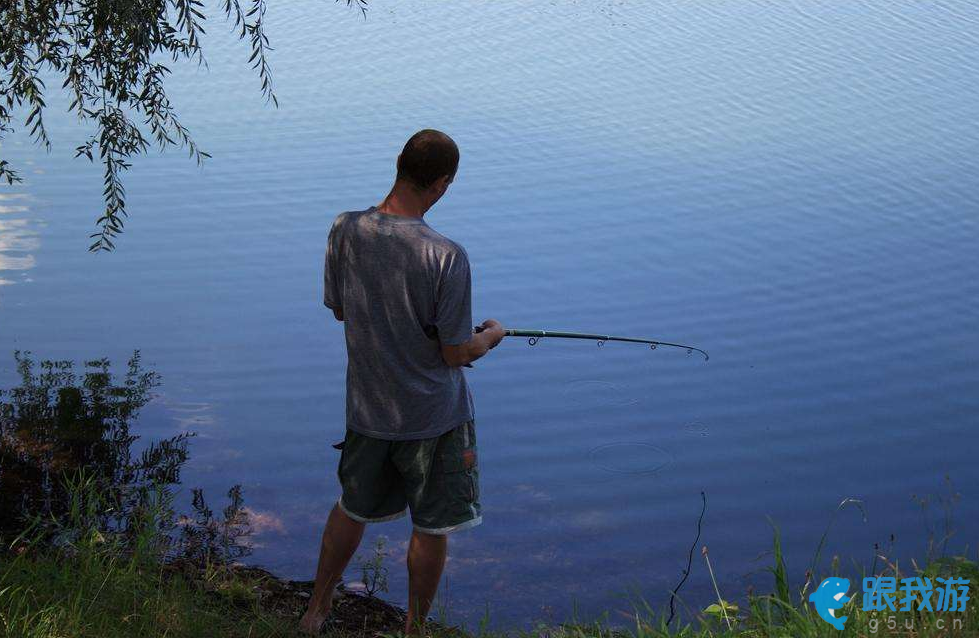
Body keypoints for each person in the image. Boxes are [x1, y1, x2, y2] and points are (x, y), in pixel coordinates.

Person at [300, 129, 506, 635]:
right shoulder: (446, 255)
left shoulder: (345, 229)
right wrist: (491, 338)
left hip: (368, 408)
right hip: (433, 418)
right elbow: (456, 352)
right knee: (432, 525)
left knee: (351, 507)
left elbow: (342, 311)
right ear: (442, 183)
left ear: (398, 166)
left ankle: (315, 610)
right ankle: (413, 629)